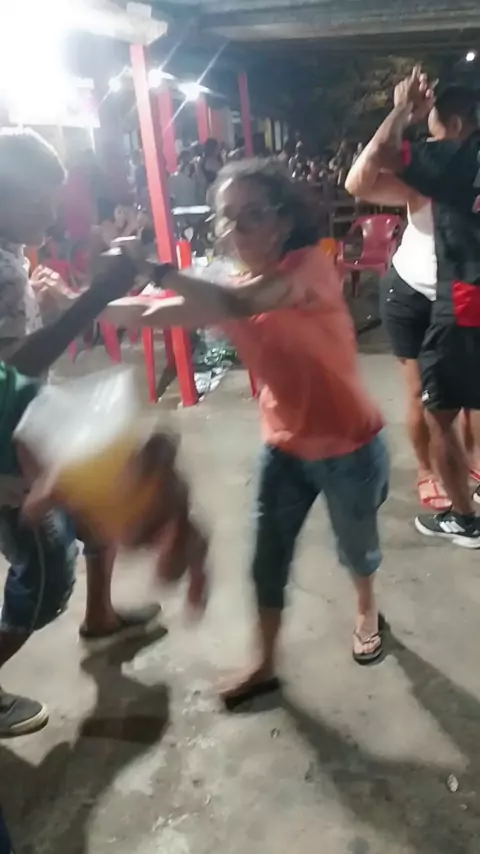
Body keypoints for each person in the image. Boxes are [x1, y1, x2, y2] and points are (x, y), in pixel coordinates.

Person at [105, 160, 389, 708]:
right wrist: (84, 303)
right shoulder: (231, 282)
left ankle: (366, 608)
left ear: (284, 221)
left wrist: (156, 269)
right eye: (228, 218)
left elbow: (240, 304)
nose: (238, 230)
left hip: (349, 443)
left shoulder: (309, 268)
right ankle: (264, 663)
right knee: (267, 558)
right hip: (283, 443)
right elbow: (155, 313)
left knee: (356, 549)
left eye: (253, 215)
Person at [0, 128, 160, 737]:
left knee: (101, 495)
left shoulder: (13, 255)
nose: (51, 213)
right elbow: (12, 368)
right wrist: (97, 296)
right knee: (45, 575)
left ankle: (101, 616)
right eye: (36, 199)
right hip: (10, 446)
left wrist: (60, 303)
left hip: (29, 420)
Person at [353, 67, 480, 547]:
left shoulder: (450, 163)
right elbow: (359, 180)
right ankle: (432, 473)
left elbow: (383, 153)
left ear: (456, 126)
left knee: (455, 403)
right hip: (414, 291)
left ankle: (466, 502)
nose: (432, 140)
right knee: (426, 398)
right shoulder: (433, 171)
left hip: (461, 297)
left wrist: (403, 110)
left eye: (436, 130)